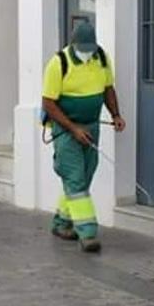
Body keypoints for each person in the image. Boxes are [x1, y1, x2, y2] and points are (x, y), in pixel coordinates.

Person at [41, 22, 125, 253]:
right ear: (73, 44)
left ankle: (61, 223)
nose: (87, 53)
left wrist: (116, 114)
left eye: (90, 47)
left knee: (85, 175)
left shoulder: (102, 58)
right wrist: (73, 128)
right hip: (65, 129)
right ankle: (87, 233)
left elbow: (108, 89)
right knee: (75, 177)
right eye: (83, 48)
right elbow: (48, 103)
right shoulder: (59, 63)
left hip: (91, 127)